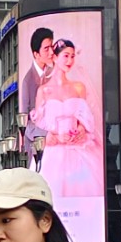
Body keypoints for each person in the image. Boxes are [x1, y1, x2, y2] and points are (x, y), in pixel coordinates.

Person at [30, 38, 103, 198]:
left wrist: (81, 129)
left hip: (77, 148)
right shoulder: (44, 90)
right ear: (55, 57)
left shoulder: (78, 87)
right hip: (53, 152)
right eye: (66, 56)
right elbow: (39, 125)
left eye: (72, 56)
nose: (70, 61)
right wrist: (52, 136)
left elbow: (85, 117)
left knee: (83, 191)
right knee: (51, 192)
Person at [19, 26, 56, 168]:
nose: (51, 52)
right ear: (36, 54)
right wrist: (47, 134)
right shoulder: (28, 81)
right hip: (37, 143)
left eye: (52, 47)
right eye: (46, 49)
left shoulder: (54, 72)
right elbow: (25, 120)